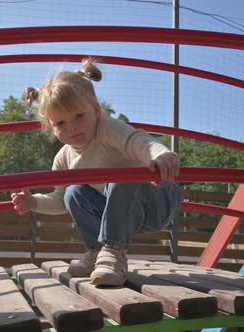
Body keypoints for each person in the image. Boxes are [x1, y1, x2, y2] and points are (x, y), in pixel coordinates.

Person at [11, 58, 182, 286]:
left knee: (122, 174)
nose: (71, 127)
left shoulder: (108, 129)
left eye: (79, 116)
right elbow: (61, 201)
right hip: (122, 214)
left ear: (96, 111)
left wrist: (161, 155)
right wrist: (34, 203)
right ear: (50, 128)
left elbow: (139, 141)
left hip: (157, 199)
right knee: (73, 192)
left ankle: (113, 253)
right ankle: (97, 251)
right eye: (60, 123)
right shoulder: (63, 158)